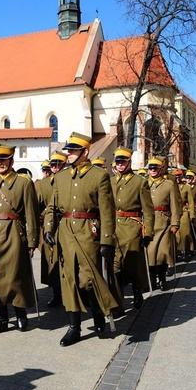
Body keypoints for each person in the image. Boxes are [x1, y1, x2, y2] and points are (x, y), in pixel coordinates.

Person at [43, 132, 117, 347]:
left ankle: (97, 312)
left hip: (88, 232)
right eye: (69, 150)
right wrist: (49, 227)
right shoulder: (61, 176)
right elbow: (53, 207)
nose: (70, 154)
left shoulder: (98, 176)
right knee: (69, 281)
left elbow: (106, 211)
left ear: (85, 152)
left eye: (74, 151)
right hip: (65, 233)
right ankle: (74, 327)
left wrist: (106, 241)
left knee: (87, 280)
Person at [0, 145, 39, 335]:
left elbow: (31, 214)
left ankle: (20, 314)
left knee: (15, 276)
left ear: (11, 161)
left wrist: (32, 241)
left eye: (3, 160)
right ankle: (0, 318)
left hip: (14, 233)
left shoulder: (23, 182)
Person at [110, 147, 154, 309]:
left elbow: (148, 211)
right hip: (113, 227)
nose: (121, 164)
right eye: (118, 161)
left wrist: (148, 232)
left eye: (124, 161)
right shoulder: (109, 181)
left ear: (129, 162)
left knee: (132, 264)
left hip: (132, 228)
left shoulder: (139, 182)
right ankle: (118, 302)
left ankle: (137, 289)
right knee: (114, 267)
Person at [146, 158, 181, 290]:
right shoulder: (144, 184)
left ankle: (162, 278)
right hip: (148, 223)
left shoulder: (168, 185)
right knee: (150, 254)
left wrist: (175, 224)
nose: (153, 171)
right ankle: (151, 278)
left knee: (163, 253)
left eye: (155, 168)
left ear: (160, 169)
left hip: (164, 222)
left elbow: (174, 206)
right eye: (151, 168)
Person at [38, 152, 67, 307]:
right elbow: (38, 204)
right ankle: (57, 294)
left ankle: (79, 294)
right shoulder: (43, 184)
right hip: (51, 228)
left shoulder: (69, 180)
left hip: (68, 225)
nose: (55, 168)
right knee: (53, 262)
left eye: (58, 165)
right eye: (53, 165)